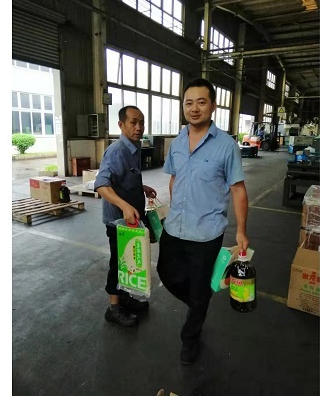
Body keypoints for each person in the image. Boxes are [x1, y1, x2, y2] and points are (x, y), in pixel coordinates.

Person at [157, 77, 248, 365]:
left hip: (206, 232)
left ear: (213, 106)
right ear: (183, 106)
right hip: (174, 226)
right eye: (188, 103)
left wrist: (242, 230)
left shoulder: (226, 146)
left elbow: (238, 189)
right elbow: (174, 178)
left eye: (201, 102)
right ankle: (199, 302)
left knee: (198, 288)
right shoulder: (177, 142)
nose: (194, 108)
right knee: (166, 273)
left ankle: (190, 338)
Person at [94, 106, 157, 328]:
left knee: (128, 262)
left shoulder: (134, 148)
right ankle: (113, 308)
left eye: (142, 122)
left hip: (131, 221)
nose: (139, 127)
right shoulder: (117, 151)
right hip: (117, 222)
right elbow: (101, 185)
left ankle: (125, 298)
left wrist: (142, 187)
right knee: (118, 264)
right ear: (121, 125)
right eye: (133, 122)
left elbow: (125, 179)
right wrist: (124, 205)